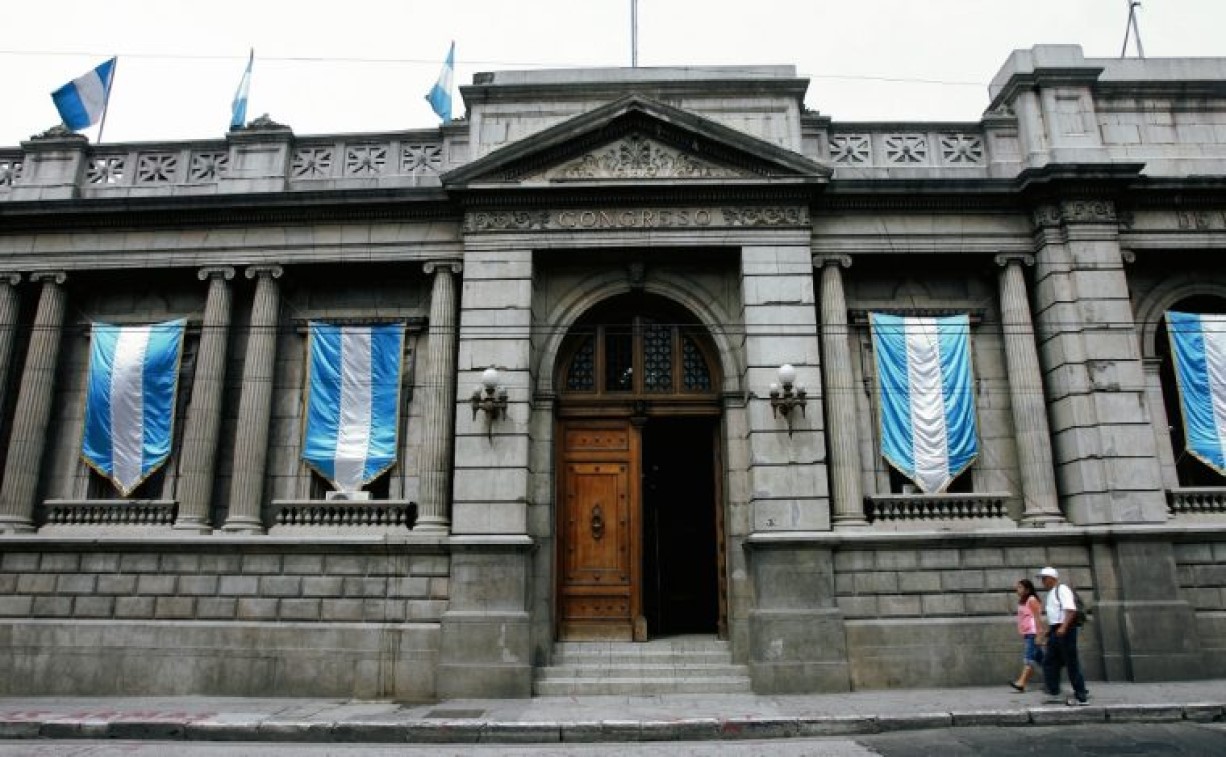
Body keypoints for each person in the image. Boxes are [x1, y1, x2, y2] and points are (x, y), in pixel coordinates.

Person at [1036, 566, 1089, 706]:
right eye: (1042, 579)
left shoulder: (1062, 589)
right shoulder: (1051, 593)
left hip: (1066, 630)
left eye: (1044, 578)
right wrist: (1049, 632)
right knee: (1049, 661)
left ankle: (1081, 694)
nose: (1042, 581)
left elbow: (1071, 610)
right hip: (1056, 630)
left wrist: (1064, 627)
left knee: (1071, 662)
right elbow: (1055, 616)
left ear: (1053, 578)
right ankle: (1053, 691)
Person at [1010, 578, 1044, 692]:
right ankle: (1053, 674)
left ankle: (1021, 682)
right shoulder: (1023, 601)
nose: (1017, 589)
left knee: (1028, 658)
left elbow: (1037, 618)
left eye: (1020, 587)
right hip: (1027, 633)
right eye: (1017, 587)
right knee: (1042, 659)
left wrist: (1039, 635)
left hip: (1032, 632)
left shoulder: (1032, 599)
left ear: (1027, 589)